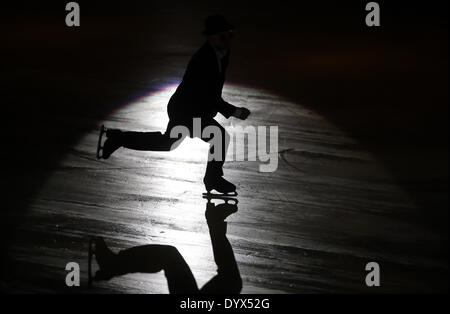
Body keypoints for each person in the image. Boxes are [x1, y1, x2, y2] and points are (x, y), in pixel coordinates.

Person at [99, 15, 250, 194]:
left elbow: (212, 92)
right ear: (211, 37)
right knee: (218, 137)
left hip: (193, 108)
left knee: (168, 143)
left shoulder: (222, 54)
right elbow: (208, 95)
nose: (227, 40)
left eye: (229, 35)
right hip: (186, 110)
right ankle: (213, 179)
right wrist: (234, 111)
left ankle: (118, 138)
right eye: (222, 36)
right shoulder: (203, 60)